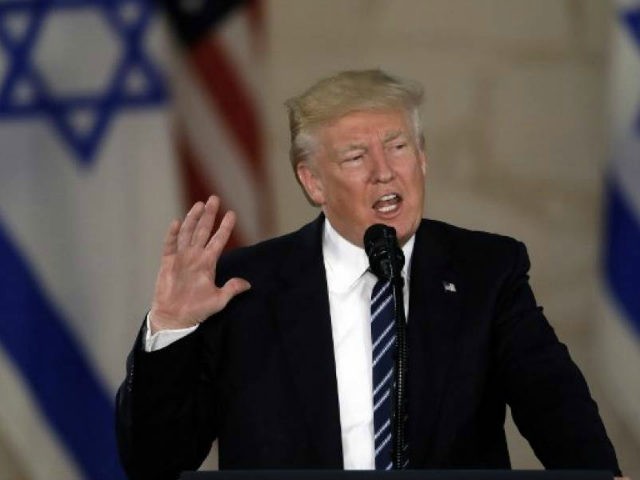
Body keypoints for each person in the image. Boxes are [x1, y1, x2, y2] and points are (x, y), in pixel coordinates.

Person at [116, 70, 622, 479]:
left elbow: (555, 406)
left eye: (398, 147)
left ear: (422, 158)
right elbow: (155, 461)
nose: (385, 171)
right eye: (356, 157)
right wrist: (170, 328)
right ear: (313, 181)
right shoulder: (245, 287)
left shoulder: (485, 271)